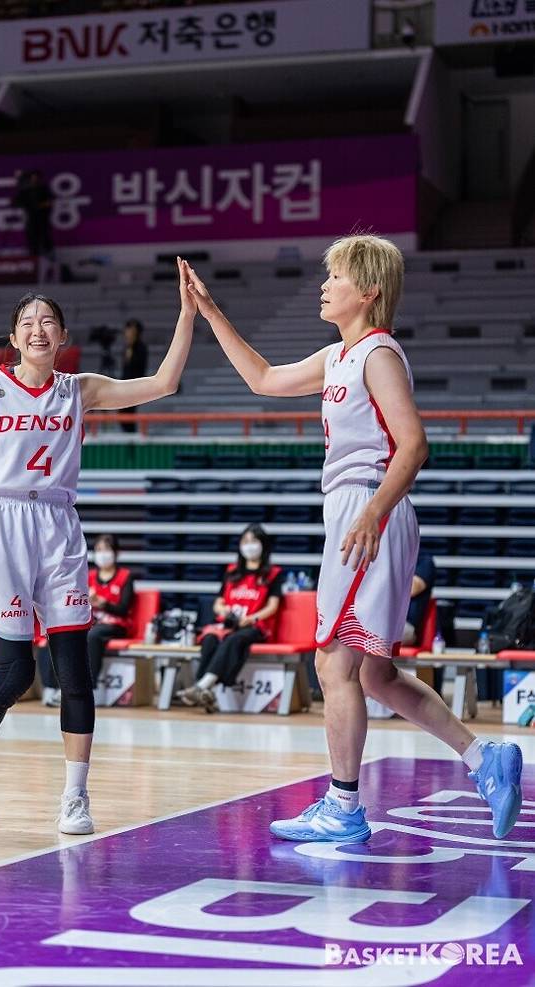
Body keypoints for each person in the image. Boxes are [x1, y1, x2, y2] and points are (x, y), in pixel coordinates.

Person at [182, 235, 523, 842]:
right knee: (375, 676)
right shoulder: (337, 355)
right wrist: (210, 312)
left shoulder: (378, 353)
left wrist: (371, 513)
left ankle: (343, 806)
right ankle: (484, 759)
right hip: (359, 510)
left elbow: (414, 444)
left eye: (335, 276)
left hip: (369, 508)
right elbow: (263, 379)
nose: (323, 285)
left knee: (333, 661)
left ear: (367, 290)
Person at [0, 256, 195, 834]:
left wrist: (186, 315)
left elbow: (163, 384)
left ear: (63, 337)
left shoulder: (79, 390)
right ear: (13, 338)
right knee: (14, 671)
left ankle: (76, 797)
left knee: (74, 670)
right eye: (27, 322)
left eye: (48, 321)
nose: (38, 329)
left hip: (57, 524)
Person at [177, 524, 282, 713]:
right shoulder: (232, 572)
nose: (249, 546)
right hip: (229, 624)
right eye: (245, 541)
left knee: (234, 639)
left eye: (253, 541)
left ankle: (202, 686)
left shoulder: (273, 574)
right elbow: (218, 603)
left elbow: (272, 606)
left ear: (263, 545)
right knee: (210, 638)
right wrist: (224, 610)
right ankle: (205, 691)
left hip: (255, 626)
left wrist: (252, 618)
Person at [87, 534, 135, 698]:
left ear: (116, 552)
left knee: (93, 636)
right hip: (93, 622)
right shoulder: (89, 576)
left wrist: (103, 604)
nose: (102, 554)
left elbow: (124, 609)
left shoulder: (125, 576)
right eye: (98, 550)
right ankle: (61, 687)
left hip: (117, 625)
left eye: (106, 549)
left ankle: (89, 688)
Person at [13, 169, 54, 260]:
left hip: (42, 217)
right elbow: (18, 201)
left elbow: (50, 202)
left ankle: (49, 254)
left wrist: (40, 206)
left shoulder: (43, 188)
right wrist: (18, 203)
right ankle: (33, 255)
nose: (34, 179)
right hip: (31, 216)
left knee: (44, 235)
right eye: (33, 177)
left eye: (36, 177)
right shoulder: (25, 190)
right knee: (31, 235)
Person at [120, 319, 148, 433]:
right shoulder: (126, 348)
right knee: (122, 413)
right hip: (124, 385)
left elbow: (139, 369)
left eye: (131, 331)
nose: (128, 333)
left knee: (129, 413)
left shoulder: (141, 348)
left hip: (135, 385)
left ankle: (132, 435)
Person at [403, 551, 435, 646]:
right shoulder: (390, 561)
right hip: (385, 621)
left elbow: (412, 589)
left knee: (379, 633)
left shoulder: (424, 562)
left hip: (407, 626)